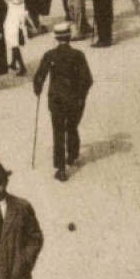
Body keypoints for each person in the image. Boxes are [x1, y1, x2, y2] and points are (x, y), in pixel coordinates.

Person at [33, 23, 94, 182]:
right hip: (74, 100)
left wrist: (38, 88)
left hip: (57, 100)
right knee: (72, 127)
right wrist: (81, 97)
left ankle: (60, 169)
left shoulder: (50, 55)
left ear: (56, 38)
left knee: (58, 132)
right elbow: (87, 80)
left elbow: (39, 77)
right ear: (69, 37)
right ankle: (73, 156)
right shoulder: (78, 55)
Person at [2, 0, 29, 76]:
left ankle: (22, 67)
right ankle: (13, 62)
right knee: (14, 44)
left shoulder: (9, 3)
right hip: (18, 26)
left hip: (11, 26)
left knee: (14, 46)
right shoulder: (21, 1)